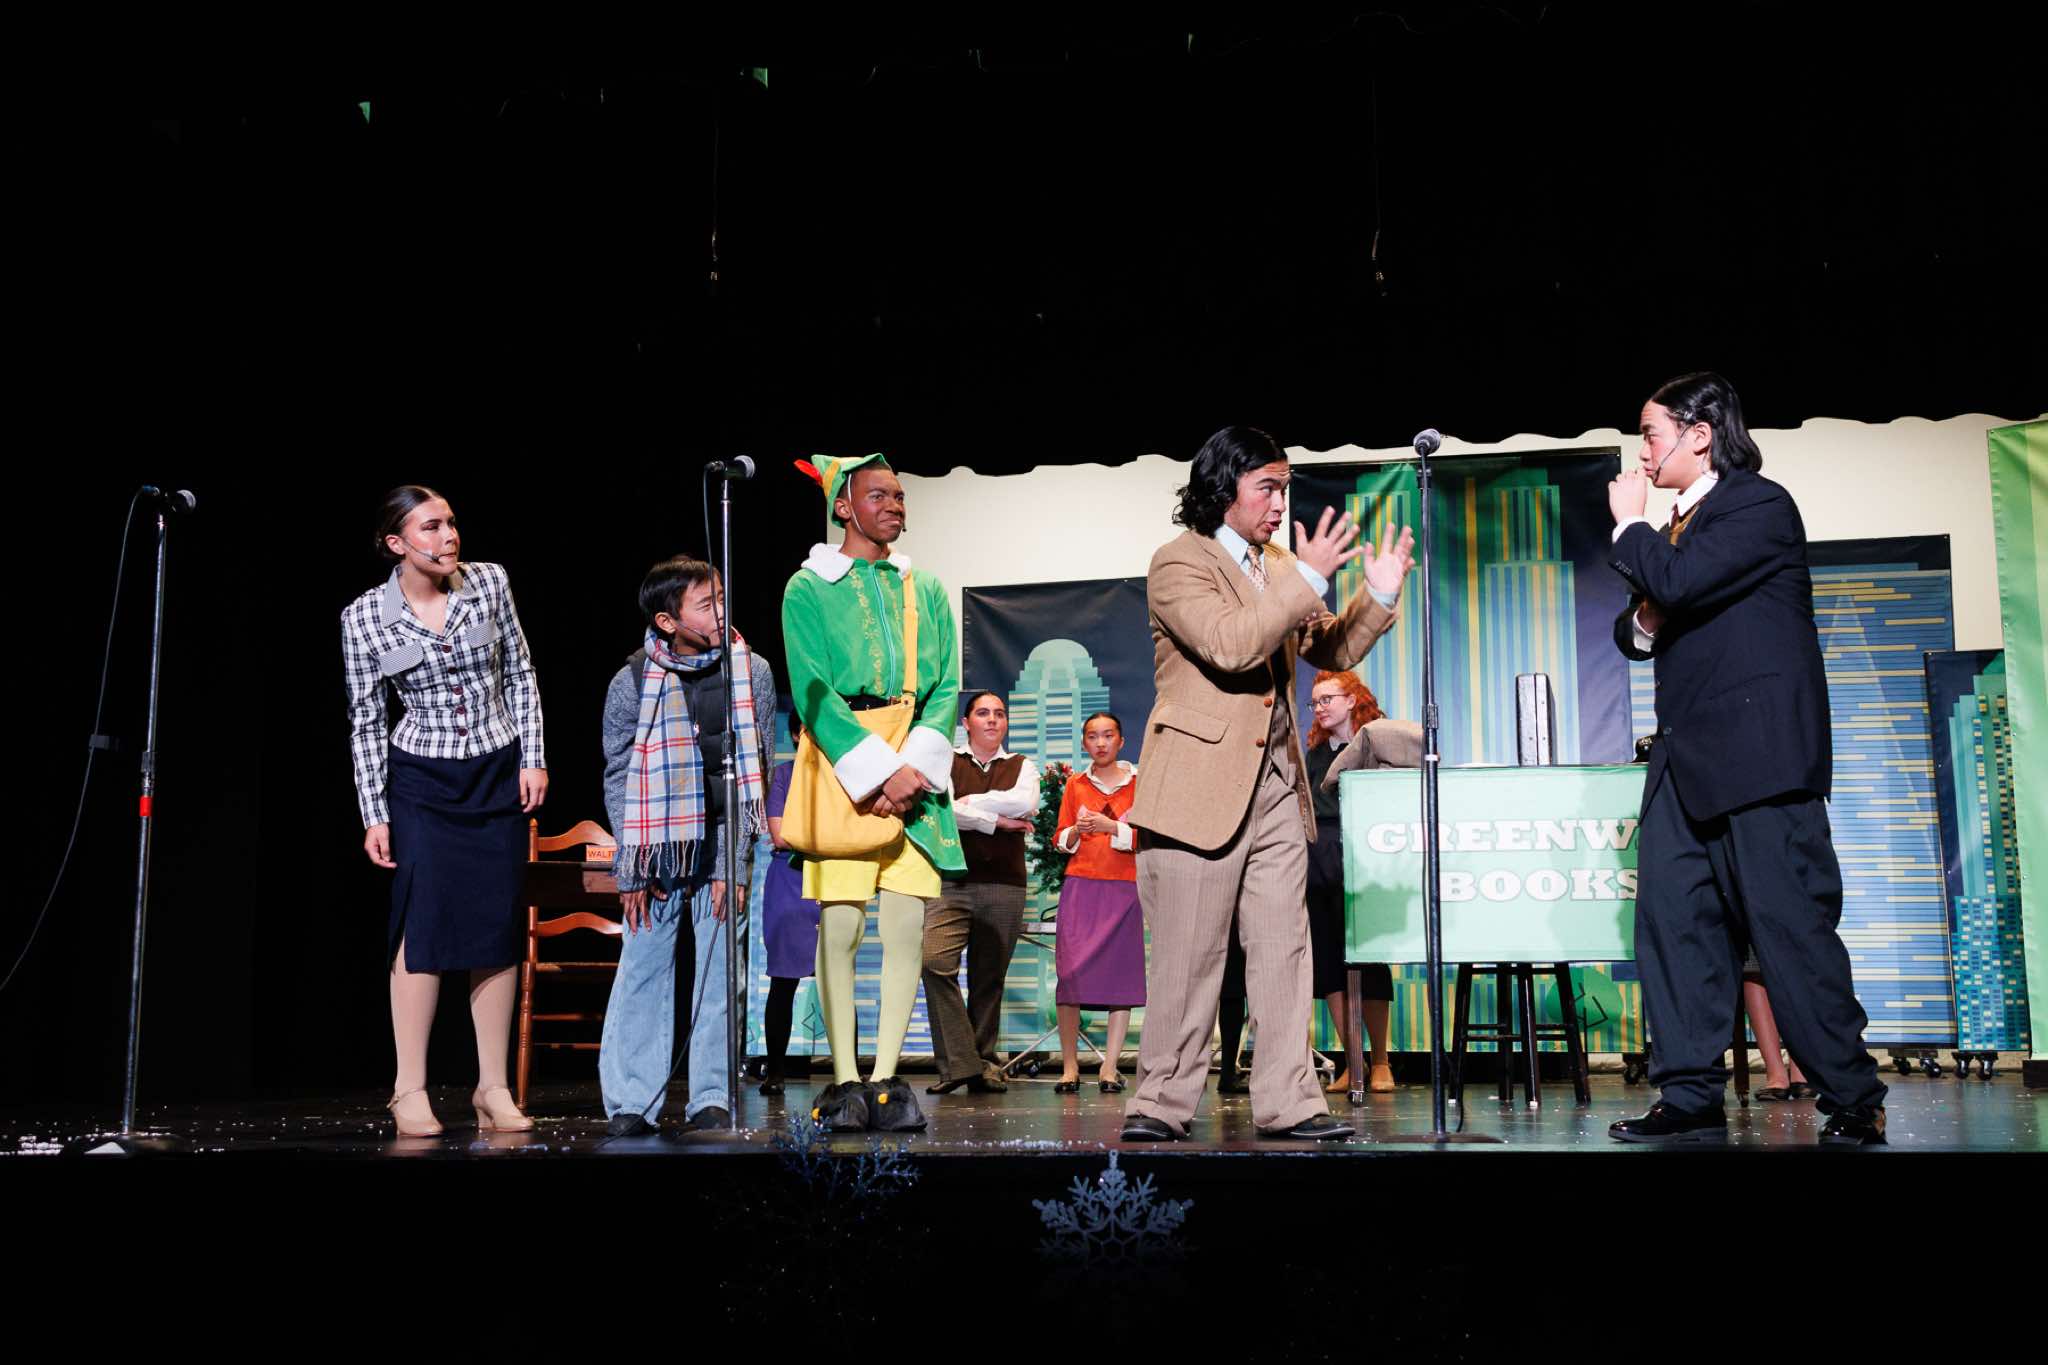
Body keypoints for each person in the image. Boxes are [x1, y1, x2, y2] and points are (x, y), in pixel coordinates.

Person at [1606, 371, 1887, 1146]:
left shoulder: (1756, 504)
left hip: (1760, 760)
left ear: (1700, 434)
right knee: (1675, 925)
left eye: (1652, 433)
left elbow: (1676, 584)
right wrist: (1654, 595)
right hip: (1683, 761)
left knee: (1789, 930)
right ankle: (1688, 1092)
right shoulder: (1678, 528)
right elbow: (1632, 631)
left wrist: (1630, 528)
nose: (1642, 451)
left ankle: (1853, 1095)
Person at [1120, 426, 1414, 1142]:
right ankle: (1161, 1102)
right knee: (1191, 956)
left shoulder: (1277, 565)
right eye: (1268, 488)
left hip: (1279, 786)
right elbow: (1231, 644)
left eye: (1285, 488)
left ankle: (1290, 1100)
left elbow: (1331, 646)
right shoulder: (1178, 561)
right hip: (1197, 787)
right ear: (1225, 488)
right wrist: (1304, 579)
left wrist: (1376, 593)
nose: (1281, 503)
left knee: (1284, 949)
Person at [342, 485, 548, 1138]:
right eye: (430, 526)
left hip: (494, 768)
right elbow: (366, 719)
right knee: (422, 920)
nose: (449, 535)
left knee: (495, 920)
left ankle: (492, 1086)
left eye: (452, 522)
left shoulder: (489, 583)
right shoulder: (364, 617)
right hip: (422, 779)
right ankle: (408, 1087)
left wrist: (533, 756)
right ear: (396, 543)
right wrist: (374, 812)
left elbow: (520, 673)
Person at [782, 453, 965, 1131]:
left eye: (900, 495)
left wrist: (911, 768)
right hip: (844, 766)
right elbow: (812, 688)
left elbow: (946, 684)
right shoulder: (808, 587)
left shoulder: (926, 588)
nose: (895, 506)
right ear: (844, 506)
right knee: (843, 924)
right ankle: (845, 1079)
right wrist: (877, 770)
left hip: (914, 769)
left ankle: (887, 1077)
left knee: (906, 924)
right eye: (879, 495)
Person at [597, 556, 772, 1137]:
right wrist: (632, 866)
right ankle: (631, 1100)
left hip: (721, 839)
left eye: (722, 597)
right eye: (706, 604)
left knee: (720, 972)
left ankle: (711, 1096)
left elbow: (754, 773)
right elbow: (619, 776)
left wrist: (732, 863)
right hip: (656, 849)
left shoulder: (752, 671)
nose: (721, 612)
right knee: (642, 969)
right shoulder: (632, 680)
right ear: (667, 621)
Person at [1306, 670, 1421, 1094]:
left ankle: (1381, 1062)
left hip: (1364, 857)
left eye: (1328, 699)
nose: (1320, 708)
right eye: (1315, 702)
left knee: (1369, 960)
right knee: (1329, 965)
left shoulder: (1379, 744)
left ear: (1352, 700)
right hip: (1317, 861)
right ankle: (1352, 1060)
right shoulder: (1313, 755)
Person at [923, 691, 1039, 1095]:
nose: (992, 720)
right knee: (934, 961)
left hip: (1005, 883)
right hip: (951, 879)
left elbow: (1025, 802)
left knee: (989, 978)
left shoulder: (1022, 765)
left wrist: (974, 803)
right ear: (966, 722)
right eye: (983, 713)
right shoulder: (946, 761)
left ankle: (983, 1065)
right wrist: (997, 821)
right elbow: (944, 810)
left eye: (999, 714)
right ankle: (961, 1064)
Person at [1050, 711, 1144, 1094]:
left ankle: (1109, 1067)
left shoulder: (1140, 783)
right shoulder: (1076, 784)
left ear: (1121, 740)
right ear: (1084, 742)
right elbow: (1060, 837)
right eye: (1093, 736)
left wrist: (1112, 828)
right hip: (1081, 887)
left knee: (1122, 978)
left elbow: (1149, 837)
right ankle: (1069, 1066)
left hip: (1124, 887)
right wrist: (1076, 830)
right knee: (1070, 975)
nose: (1101, 743)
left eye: (1108, 735)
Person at [760, 713, 822, 1097]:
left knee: (838, 982)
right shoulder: (783, 776)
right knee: (783, 982)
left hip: (831, 878)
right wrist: (829, 838)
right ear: (797, 735)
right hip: (790, 879)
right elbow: (781, 835)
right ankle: (776, 1070)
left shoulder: (841, 776)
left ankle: (849, 1073)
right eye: (808, 729)